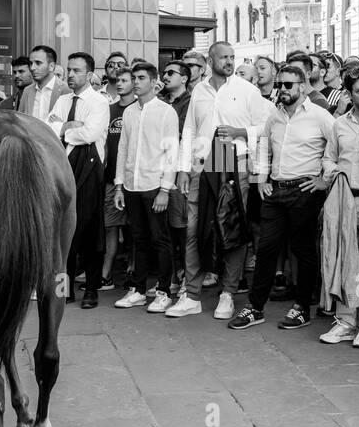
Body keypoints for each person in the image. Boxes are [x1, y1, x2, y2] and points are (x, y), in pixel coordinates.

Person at [169, 41, 271, 320]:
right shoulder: (198, 91)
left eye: (231, 57)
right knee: (193, 230)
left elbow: (267, 126)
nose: (229, 61)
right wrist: (182, 168)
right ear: (210, 60)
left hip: (233, 162)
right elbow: (189, 129)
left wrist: (240, 131)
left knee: (231, 229)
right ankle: (191, 295)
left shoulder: (247, 90)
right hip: (201, 165)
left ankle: (227, 293)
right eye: (223, 57)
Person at [229, 65, 332, 330]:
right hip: (275, 190)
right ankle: (255, 307)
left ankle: (301, 308)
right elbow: (264, 146)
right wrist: (260, 179)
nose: (283, 89)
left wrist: (324, 181)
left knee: (303, 250)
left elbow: (336, 151)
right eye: (280, 84)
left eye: (288, 85)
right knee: (266, 250)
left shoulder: (321, 116)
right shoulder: (275, 116)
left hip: (304, 191)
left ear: (302, 86)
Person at [319, 67, 359, 349]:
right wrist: (336, 174)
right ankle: (346, 320)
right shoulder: (339, 124)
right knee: (346, 261)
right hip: (345, 199)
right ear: (349, 93)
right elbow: (328, 158)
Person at [113, 62, 180, 314]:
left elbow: (172, 151)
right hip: (131, 184)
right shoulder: (129, 112)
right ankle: (138, 290)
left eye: (141, 78)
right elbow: (122, 148)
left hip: (155, 185)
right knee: (138, 240)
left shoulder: (165, 111)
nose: (136, 82)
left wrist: (165, 189)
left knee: (160, 240)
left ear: (154, 82)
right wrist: (119, 185)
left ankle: (163, 292)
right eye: (134, 78)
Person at [48, 52, 111, 309]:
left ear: (89, 74)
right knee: (64, 231)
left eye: (76, 71)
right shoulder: (62, 100)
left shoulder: (99, 102)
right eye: (69, 70)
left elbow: (91, 133)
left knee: (89, 230)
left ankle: (92, 290)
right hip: (62, 166)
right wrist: (66, 127)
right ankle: (66, 289)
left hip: (89, 168)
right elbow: (46, 126)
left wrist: (64, 130)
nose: (71, 75)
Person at [101, 67, 136, 291]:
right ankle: (106, 274)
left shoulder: (138, 110)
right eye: (119, 81)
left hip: (134, 179)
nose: (120, 84)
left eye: (125, 80)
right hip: (111, 178)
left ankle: (133, 271)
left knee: (135, 229)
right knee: (110, 226)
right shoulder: (109, 109)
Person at [161, 61, 194, 296]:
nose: (165, 76)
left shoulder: (191, 103)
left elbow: (188, 136)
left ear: (184, 78)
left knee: (181, 228)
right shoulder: (159, 101)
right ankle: (171, 275)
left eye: (170, 73)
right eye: (164, 72)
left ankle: (185, 278)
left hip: (181, 169)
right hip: (158, 169)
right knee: (164, 229)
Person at [19, 45, 70, 121]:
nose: (32, 68)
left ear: (51, 66)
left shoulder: (66, 90)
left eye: (38, 63)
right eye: (31, 63)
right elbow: (21, 121)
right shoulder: (27, 91)